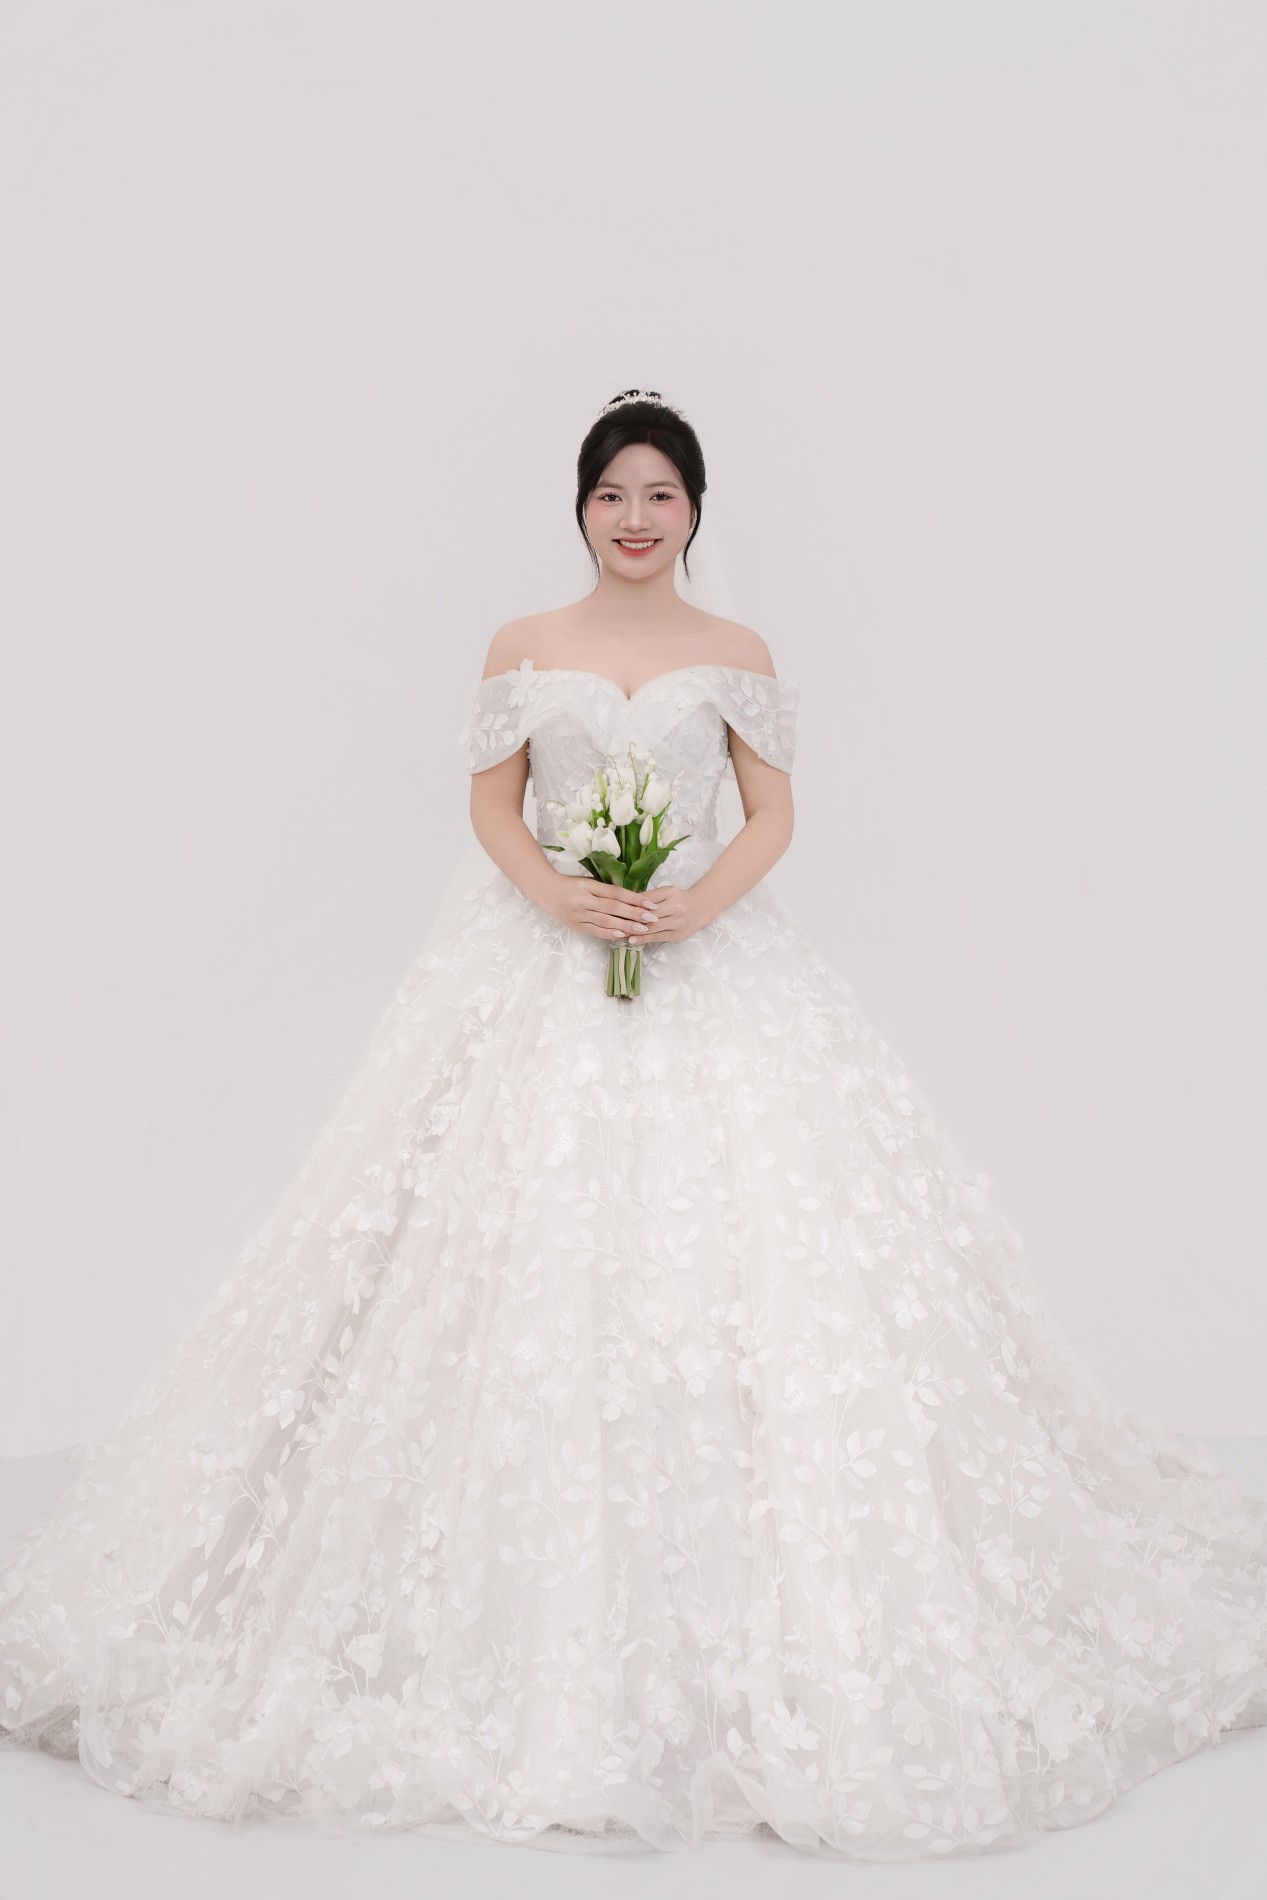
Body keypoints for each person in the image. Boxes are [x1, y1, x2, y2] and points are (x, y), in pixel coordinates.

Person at [2, 390, 1265, 1861]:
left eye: (662, 493)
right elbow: (490, 804)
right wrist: (558, 893)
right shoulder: (520, 643)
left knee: (758, 1265)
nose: (636, 517)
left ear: (697, 511)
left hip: (702, 954)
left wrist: (688, 909)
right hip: (534, 962)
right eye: (614, 492)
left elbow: (773, 815)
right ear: (581, 507)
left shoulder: (737, 653)